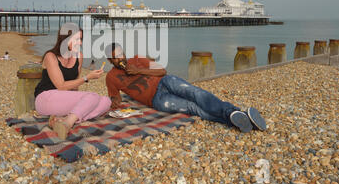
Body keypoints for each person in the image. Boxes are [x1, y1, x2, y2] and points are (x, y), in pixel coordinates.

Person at [104, 43, 266, 133]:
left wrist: (139, 70)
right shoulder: (110, 77)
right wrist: (115, 102)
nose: (120, 58)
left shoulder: (138, 59)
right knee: (192, 107)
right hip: (157, 99)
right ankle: (237, 118)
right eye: (115, 57)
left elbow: (162, 70)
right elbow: (115, 98)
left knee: (195, 93)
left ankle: (233, 112)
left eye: (121, 54)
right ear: (110, 60)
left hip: (165, 81)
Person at [34, 23, 111, 139]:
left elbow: (74, 87)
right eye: (77, 39)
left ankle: (63, 119)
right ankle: (67, 123)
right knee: (94, 96)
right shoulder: (50, 56)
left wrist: (80, 100)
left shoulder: (78, 56)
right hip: (46, 98)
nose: (80, 43)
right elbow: (61, 86)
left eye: (81, 39)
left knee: (106, 101)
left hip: (62, 100)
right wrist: (87, 78)